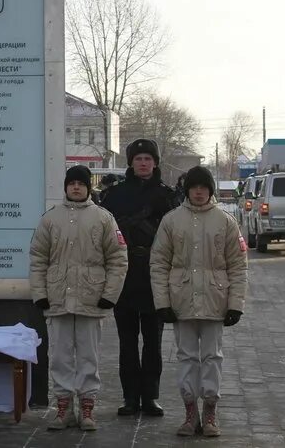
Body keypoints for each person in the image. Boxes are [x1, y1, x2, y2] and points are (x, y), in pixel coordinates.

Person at [150, 166, 248, 437]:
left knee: (212, 357)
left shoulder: (226, 221)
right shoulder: (171, 221)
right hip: (181, 301)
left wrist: (235, 304)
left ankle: (210, 412)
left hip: (216, 301)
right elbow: (158, 264)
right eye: (194, 187)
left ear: (211, 190)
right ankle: (190, 412)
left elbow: (238, 266)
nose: (199, 192)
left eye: (204, 187)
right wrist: (162, 303)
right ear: (187, 190)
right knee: (186, 357)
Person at [30, 165, 128, 431]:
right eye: (71, 183)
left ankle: (87, 407)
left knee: (88, 356)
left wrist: (109, 295)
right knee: (60, 356)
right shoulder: (50, 219)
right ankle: (63, 407)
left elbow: (118, 260)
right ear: (65, 187)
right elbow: (38, 259)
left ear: (88, 188)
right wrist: (40, 293)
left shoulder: (104, 218)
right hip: (57, 299)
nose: (76, 187)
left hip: (91, 300)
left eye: (81, 184)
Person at [100, 138, 178, 416]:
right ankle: (130, 398)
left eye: (148, 158)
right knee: (127, 341)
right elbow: (105, 234)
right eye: (138, 159)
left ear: (155, 162)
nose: (143, 163)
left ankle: (151, 396)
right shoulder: (115, 195)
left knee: (154, 342)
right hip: (124, 273)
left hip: (155, 275)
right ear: (130, 163)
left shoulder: (168, 196)